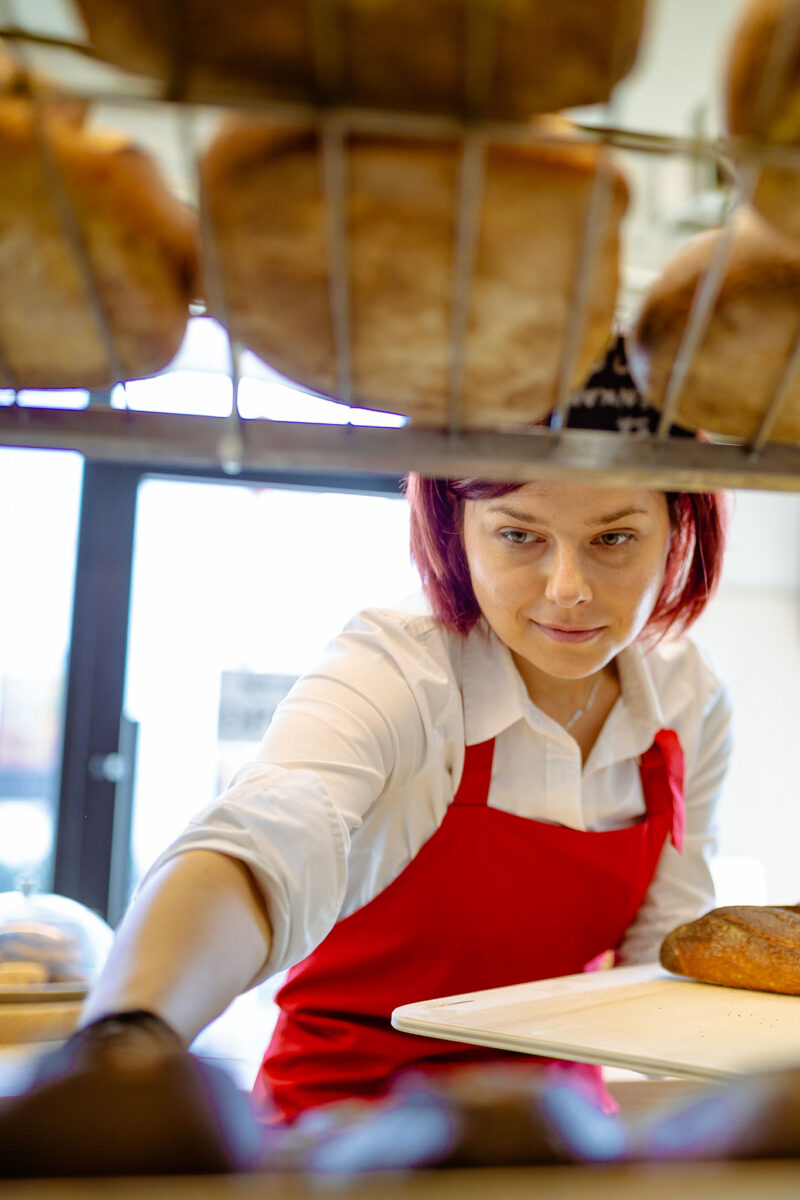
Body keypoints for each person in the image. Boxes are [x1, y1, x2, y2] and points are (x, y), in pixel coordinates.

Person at [76, 387, 731, 1126]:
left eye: (613, 539)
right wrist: (120, 1051)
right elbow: (261, 845)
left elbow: (663, 959)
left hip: (551, 1130)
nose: (567, 590)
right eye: (519, 536)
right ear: (455, 529)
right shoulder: (400, 667)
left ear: (679, 528)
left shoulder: (689, 697)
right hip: (342, 1123)